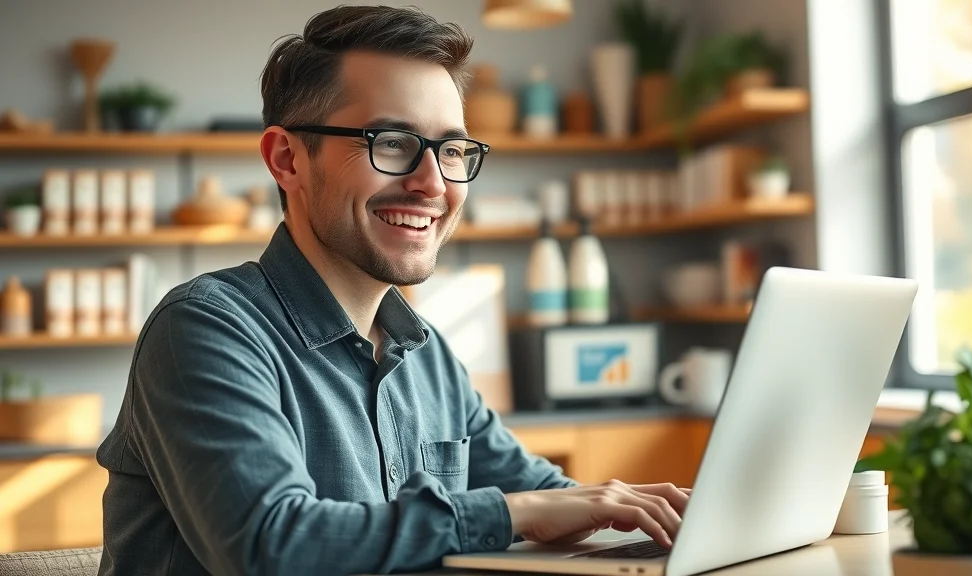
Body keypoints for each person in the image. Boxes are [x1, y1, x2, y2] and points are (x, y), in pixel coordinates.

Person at [96, 5, 690, 575]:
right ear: (287, 159)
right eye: (391, 142)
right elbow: (271, 545)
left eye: (451, 150)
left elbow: (553, 500)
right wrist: (513, 514)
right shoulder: (204, 328)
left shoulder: (429, 358)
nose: (432, 183)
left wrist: (655, 516)